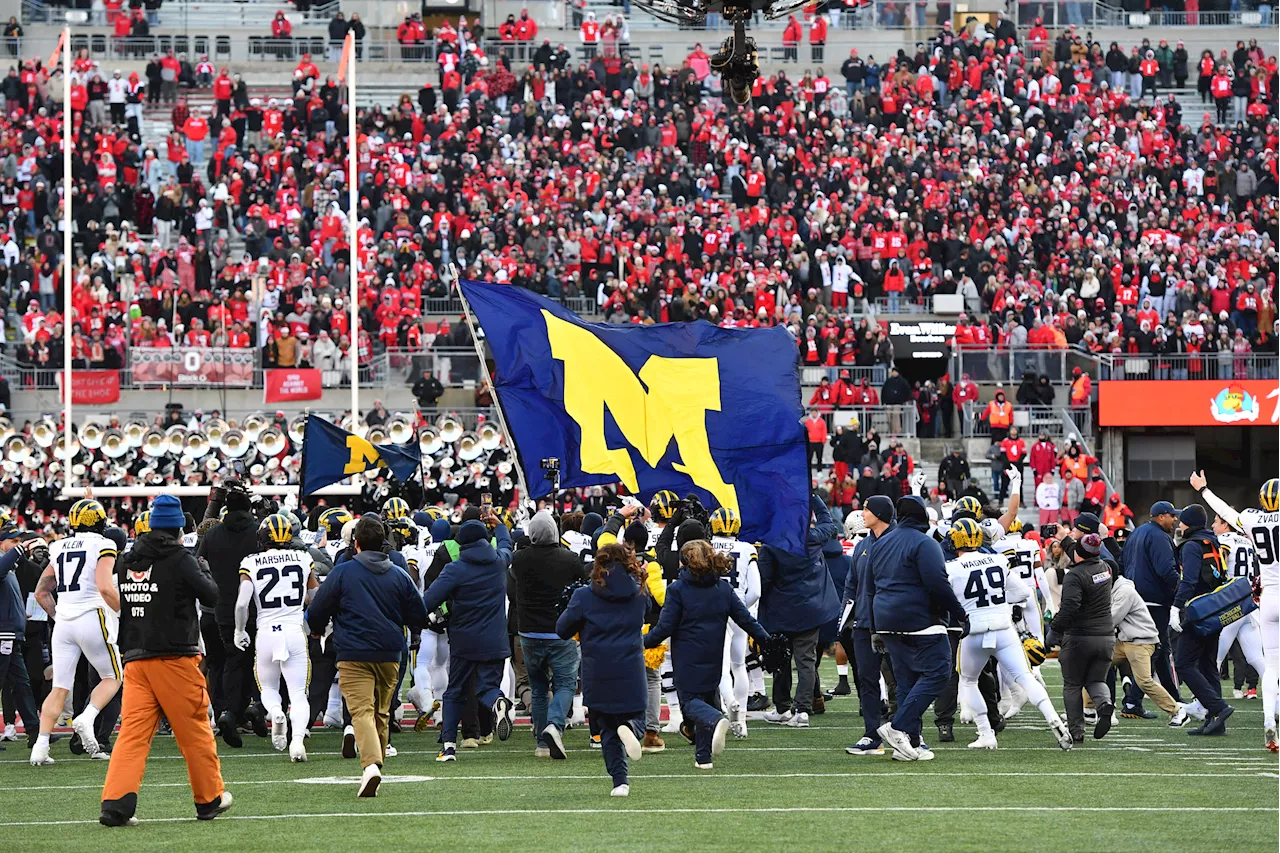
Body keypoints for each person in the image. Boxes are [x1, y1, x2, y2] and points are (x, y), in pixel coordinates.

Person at [101, 494, 229, 826]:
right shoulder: (180, 558)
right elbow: (211, 596)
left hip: (136, 658)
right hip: (174, 658)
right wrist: (204, 569)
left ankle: (116, 803)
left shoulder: (128, 561)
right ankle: (209, 798)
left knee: (132, 734)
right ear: (177, 528)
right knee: (194, 731)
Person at [306, 515, 428, 796]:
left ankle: (371, 764)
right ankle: (378, 759)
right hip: (389, 652)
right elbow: (419, 613)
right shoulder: (398, 574)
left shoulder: (343, 572)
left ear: (356, 544)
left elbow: (317, 609)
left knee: (361, 710)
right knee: (381, 712)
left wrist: (315, 630)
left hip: (353, 651)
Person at [943, 518, 1072, 751]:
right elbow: (1023, 592)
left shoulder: (951, 568)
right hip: (1003, 628)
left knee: (969, 680)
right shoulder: (997, 560)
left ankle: (986, 733)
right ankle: (1053, 717)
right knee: (1025, 676)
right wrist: (1001, 603)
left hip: (974, 631)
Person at [644, 537, 771, 770]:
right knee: (704, 698)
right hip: (714, 655)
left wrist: (641, 643)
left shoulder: (677, 589)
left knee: (691, 704)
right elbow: (745, 619)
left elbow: (665, 628)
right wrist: (767, 640)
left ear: (685, 563)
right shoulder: (723, 588)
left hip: (687, 657)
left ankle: (716, 719)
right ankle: (703, 758)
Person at [867, 494, 968, 761]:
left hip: (886, 620)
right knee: (938, 673)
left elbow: (869, 586)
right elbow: (937, 583)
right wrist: (959, 614)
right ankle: (898, 727)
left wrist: (874, 625)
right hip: (919, 620)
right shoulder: (925, 543)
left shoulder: (880, 543)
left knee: (906, 682)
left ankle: (909, 742)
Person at [29, 499, 121, 765]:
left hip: (65, 622)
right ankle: (87, 717)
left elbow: (41, 591)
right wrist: (122, 611)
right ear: (102, 521)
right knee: (113, 676)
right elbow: (105, 588)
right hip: (92, 615)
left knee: (59, 686)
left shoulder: (57, 546)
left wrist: (59, 616)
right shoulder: (104, 544)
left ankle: (40, 746)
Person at [1193, 473, 1280, 747]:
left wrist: (1204, 489)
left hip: (1266, 599)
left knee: (1271, 665)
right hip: (1264, 596)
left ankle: (1268, 722)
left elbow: (1224, 511)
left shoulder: (1252, 519)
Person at [423, 505, 515, 762]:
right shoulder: (498, 562)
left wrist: (408, 615)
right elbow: (507, 543)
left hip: (464, 639)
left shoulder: (455, 569)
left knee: (455, 692)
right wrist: (498, 523)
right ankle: (498, 701)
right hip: (496, 639)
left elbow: (428, 600)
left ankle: (449, 746)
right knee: (487, 688)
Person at [556, 539, 648, 796]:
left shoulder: (584, 595)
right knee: (637, 716)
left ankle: (620, 782)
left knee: (607, 728)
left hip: (598, 670)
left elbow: (562, 629)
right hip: (631, 666)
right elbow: (651, 612)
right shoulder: (640, 592)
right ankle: (630, 729)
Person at [233, 514, 318, 762]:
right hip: (293, 629)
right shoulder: (303, 558)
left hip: (267, 632)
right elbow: (315, 595)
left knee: (268, 688)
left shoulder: (252, 562)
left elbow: (242, 603)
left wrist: (240, 630)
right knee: (299, 694)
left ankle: (276, 712)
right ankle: (298, 742)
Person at [758, 492, 840, 727]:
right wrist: (812, 497)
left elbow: (764, 581)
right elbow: (828, 521)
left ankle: (783, 707)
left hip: (781, 611)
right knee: (806, 660)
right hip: (809, 609)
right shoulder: (812, 537)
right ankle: (802, 710)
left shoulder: (771, 544)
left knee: (781, 659)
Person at [510, 510, 587, 758]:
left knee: (539, 686)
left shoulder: (520, 559)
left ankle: (542, 743)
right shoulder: (570, 559)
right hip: (560, 631)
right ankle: (554, 724)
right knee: (565, 683)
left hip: (529, 633)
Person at [197, 480, 263, 747]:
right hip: (257, 608)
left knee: (229, 662)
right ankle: (248, 710)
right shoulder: (259, 531)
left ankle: (227, 711)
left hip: (222, 606)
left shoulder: (212, 535)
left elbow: (199, 561)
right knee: (256, 663)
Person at [1170, 503, 1233, 736]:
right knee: (1208, 665)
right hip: (1215, 610)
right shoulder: (1213, 541)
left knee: (1184, 664)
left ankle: (1218, 708)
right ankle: (1216, 722)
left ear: (1191, 524)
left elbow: (1189, 580)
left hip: (1198, 611)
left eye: (1183, 521)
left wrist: (1176, 607)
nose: (1179, 524)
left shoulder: (1192, 545)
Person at [1117, 501, 1183, 719]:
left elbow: (1122, 564)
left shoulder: (1136, 534)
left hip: (1134, 600)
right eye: (1172, 516)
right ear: (1161, 516)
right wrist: (1182, 591)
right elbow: (1166, 570)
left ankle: (1174, 696)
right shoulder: (1159, 537)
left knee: (1161, 651)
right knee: (1153, 651)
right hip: (1153, 603)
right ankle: (1132, 701)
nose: (1175, 520)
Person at [1047, 533, 1115, 744]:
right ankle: (1104, 704)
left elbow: (1070, 608)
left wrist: (1054, 631)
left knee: (1072, 684)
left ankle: (1077, 731)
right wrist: (1065, 537)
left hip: (1079, 637)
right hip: (1105, 636)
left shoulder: (1075, 576)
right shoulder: (1105, 568)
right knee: (1096, 680)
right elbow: (1084, 553)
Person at [841, 496, 892, 756]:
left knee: (901, 679)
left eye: (866, 509)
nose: (862, 513)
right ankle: (872, 733)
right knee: (867, 679)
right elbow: (851, 584)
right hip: (863, 623)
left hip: (893, 623)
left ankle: (909, 732)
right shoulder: (862, 545)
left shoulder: (896, 542)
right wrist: (846, 616)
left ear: (880, 513)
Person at [1110, 563, 1188, 727]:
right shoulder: (1114, 588)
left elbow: (1111, 619)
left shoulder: (1124, 591)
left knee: (1144, 680)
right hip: (1125, 640)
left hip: (1140, 641)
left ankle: (1177, 711)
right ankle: (1087, 708)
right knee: (1095, 666)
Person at [710, 507, 760, 738]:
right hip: (739, 608)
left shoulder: (706, 546)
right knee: (739, 665)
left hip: (713, 610)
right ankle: (742, 720)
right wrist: (741, 609)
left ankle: (729, 704)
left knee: (720, 666)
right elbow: (756, 591)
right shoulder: (747, 548)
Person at [0, 522, 41, 752]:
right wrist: (19, 549)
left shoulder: (10, 567)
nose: (17, 545)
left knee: (22, 684)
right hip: (3, 634)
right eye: (13, 541)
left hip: (11, 634)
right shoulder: (4, 563)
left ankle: (34, 731)